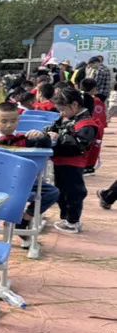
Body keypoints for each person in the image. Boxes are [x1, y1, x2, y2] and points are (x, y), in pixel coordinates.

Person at [0, 102, 60, 231]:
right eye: (4, 121)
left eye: (13, 121)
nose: (9, 125)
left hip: (23, 181)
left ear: (18, 120)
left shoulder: (24, 139)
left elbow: (46, 145)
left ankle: (24, 219)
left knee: (52, 192)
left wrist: (42, 136)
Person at [49, 87, 99, 234]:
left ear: (75, 105)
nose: (61, 113)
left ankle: (73, 220)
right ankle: (66, 217)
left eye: (63, 109)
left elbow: (79, 145)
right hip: (61, 161)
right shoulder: (68, 118)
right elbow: (55, 128)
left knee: (74, 192)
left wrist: (59, 137)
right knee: (61, 191)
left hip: (73, 163)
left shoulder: (87, 124)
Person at [79, 78, 107, 174]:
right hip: (93, 125)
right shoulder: (96, 101)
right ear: (94, 88)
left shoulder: (78, 97)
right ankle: (89, 166)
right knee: (93, 147)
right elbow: (100, 116)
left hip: (81, 125)